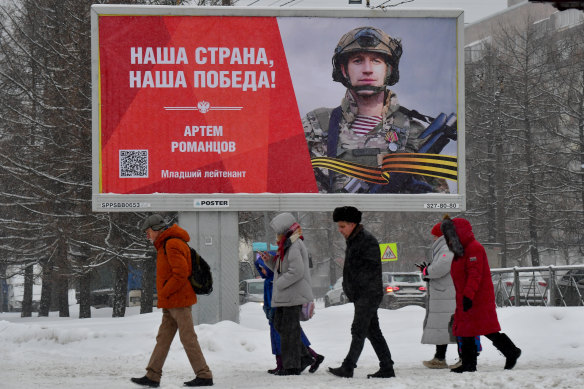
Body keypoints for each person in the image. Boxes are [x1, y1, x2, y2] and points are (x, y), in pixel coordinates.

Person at [303, 26, 453, 194]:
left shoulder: (414, 133)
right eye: (358, 60)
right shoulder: (316, 125)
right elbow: (293, 190)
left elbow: (441, 201)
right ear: (344, 70)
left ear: (388, 70)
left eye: (376, 60)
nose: (367, 69)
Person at [131, 214, 213, 387]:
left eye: (148, 232)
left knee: (188, 338)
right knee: (163, 338)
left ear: (156, 229)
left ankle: (204, 375)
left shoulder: (172, 243)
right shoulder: (165, 244)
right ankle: (152, 375)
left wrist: (165, 292)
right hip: (172, 302)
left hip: (179, 301)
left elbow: (181, 273)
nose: (147, 236)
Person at [441, 215, 522, 373]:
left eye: (451, 236)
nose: (448, 241)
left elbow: (475, 274)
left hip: (477, 298)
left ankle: (511, 352)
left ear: (458, 235)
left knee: (485, 329)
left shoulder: (474, 248)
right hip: (467, 297)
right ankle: (469, 364)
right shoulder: (461, 251)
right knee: (467, 330)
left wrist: (468, 295)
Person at [328, 206, 394, 379]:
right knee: (372, 331)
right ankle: (387, 367)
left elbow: (369, 270)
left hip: (368, 294)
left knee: (358, 330)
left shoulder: (366, 240)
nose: (339, 230)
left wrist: (356, 287)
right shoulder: (356, 240)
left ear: (352, 224)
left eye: (342, 226)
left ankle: (348, 367)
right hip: (363, 294)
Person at [259, 213, 315, 376]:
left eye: (278, 231)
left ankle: (291, 366)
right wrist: (270, 260)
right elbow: (281, 267)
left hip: (293, 294)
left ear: (284, 229)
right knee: (281, 325)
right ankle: (304, 357)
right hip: (287, 295)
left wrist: (279, 283)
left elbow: (297, 271)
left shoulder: (295, 245)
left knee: (289, 329)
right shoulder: (287, 244)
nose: (276, 235)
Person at [254, 256, 324, 375]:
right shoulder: (268, 281)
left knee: (285, 339)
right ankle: (310, 357)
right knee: (286, 339)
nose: (263, 271)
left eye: (264, 268)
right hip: (273, 314)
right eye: (261, 268)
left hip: (278, 313)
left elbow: (275, 299)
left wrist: (273, 311)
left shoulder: (273, 282)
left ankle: (306, 358)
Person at [416, 221, 457, 369]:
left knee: (449, 326)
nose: (433, 239)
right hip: (443, 294)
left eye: (434, 236)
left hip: (445, 294)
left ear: (440, 236)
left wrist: (427, 271)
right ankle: (440, 357)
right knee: (443, 327)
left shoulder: (446, 247)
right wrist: (427, 270)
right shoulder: (446, 247)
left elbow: (441, 267)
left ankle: (460, 357)